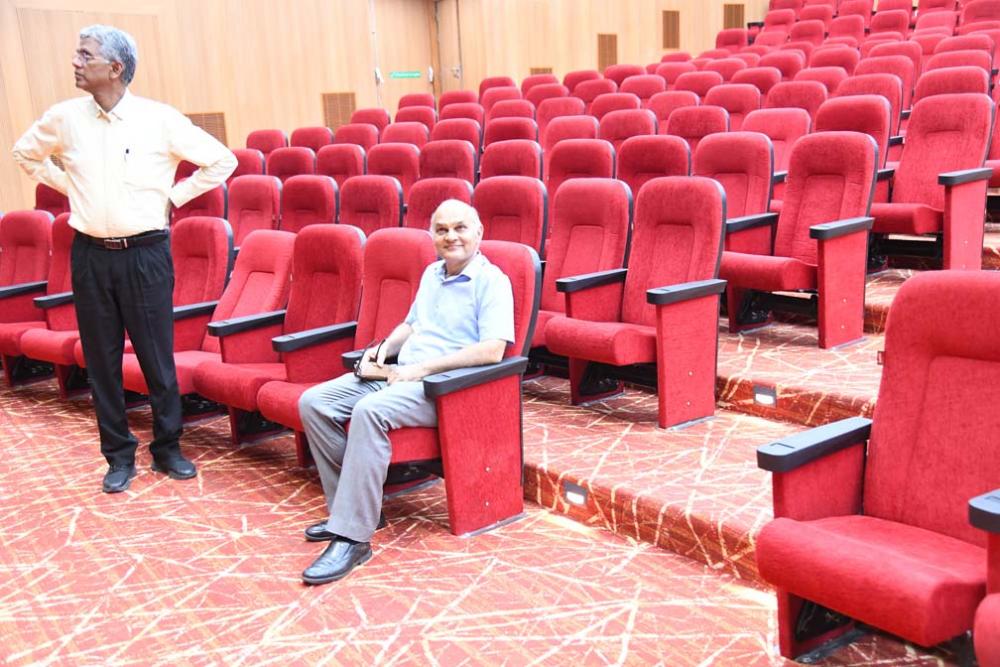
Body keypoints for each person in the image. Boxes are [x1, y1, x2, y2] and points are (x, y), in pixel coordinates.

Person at [11, 25, 237, 493]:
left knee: (157, 359)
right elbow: (25, 154)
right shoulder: (64, 117)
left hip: (146, 255)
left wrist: (174, 196)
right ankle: (117, 456)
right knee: (102, 362)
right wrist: (69, 186)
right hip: (90, 255)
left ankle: (168, 448)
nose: (75, 62)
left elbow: (221, 161)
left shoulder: (159, 119)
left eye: (85, 55)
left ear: (115, 68)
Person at [297, 199, 514, 585]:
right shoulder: (432, 273)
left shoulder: (492, 281)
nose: (451, 237)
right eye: (442, 230)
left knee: (369, 410)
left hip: (444, 388)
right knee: (315, 402)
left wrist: (422, 370)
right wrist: (381, 350)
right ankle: (357, 510)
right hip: (401, 373)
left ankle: (353, 538)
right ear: (432, 236)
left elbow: (493, 349)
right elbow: (412, 325)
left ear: (479, 233)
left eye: (460, 228)